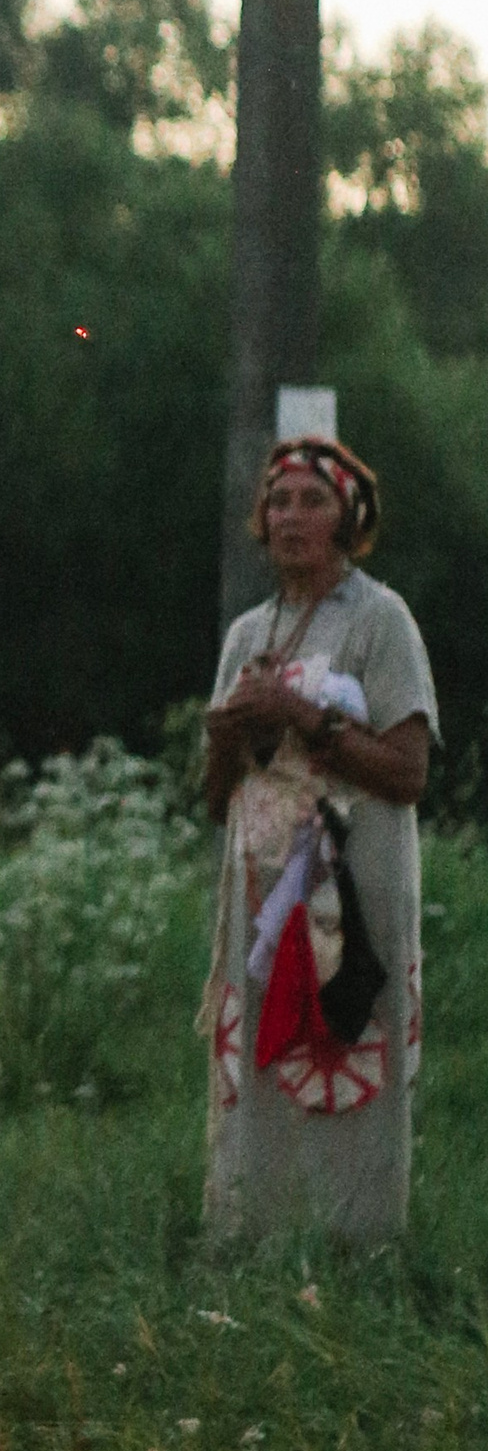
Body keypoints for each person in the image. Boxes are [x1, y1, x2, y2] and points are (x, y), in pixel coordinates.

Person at [201, 436, 436, 1245]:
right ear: (259, 522)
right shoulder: (247, 634)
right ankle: (246, 1240)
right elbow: (213, 799)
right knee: (262, 1056)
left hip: (355, 888)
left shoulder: (381, 621)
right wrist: (228, 736)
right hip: (263, 893)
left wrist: (302, 716)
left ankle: (358, 1251)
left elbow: (408, 773)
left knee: (346, 1042)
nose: (291, 517)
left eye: (312, 500)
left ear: (349, 518)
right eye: (278, 502)